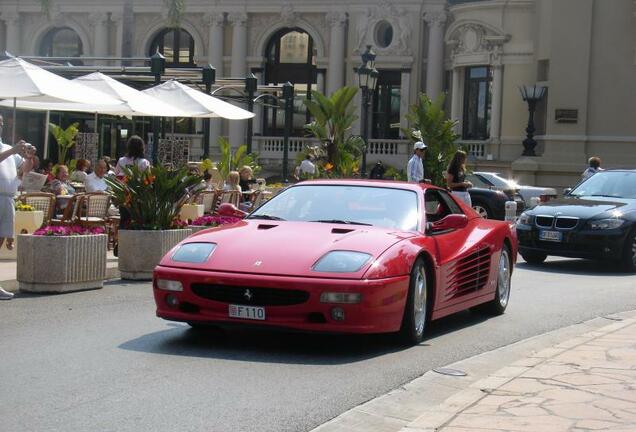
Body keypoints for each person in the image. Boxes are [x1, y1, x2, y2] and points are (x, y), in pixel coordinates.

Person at [0, 114, 35, 300]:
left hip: (7, 199)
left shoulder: (7, 149)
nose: (0, 126)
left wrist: (29, 157)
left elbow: (25, 170)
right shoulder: (9, 150)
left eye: (1, 123)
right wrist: (13, 150)